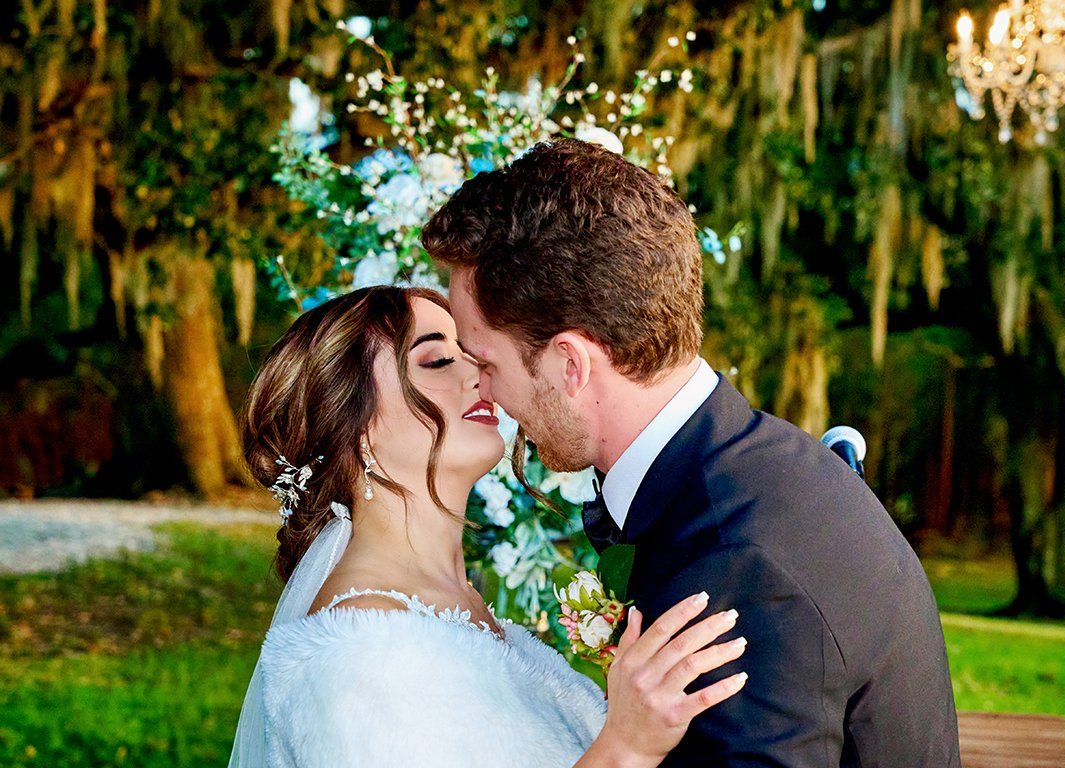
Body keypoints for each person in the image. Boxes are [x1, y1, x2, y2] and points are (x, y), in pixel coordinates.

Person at [422, 138, 961, 767]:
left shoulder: (739, 574)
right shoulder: (761, 465)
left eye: (485, 361)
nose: (480, 387)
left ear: (570, 363)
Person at [227, 285, 748, 767]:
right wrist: (624, 748)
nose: (477, 374)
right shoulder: (356, 662)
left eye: (470, 353)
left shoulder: (462, 613)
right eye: (436, 360)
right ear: (354, 429)